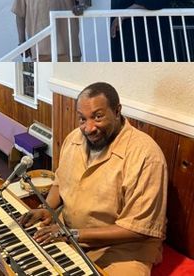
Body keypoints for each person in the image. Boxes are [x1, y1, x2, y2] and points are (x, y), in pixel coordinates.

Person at [19, 82, 167, 276]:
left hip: (124, 249)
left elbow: (138, 229)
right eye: (82, 119)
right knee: (23, 259)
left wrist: (73, 235)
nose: (88, 128)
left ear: (117, 111)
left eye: (98, 117)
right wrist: (46, 209)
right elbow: (60, 182)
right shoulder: (74, 139)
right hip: (69, 232)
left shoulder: (146, 156)